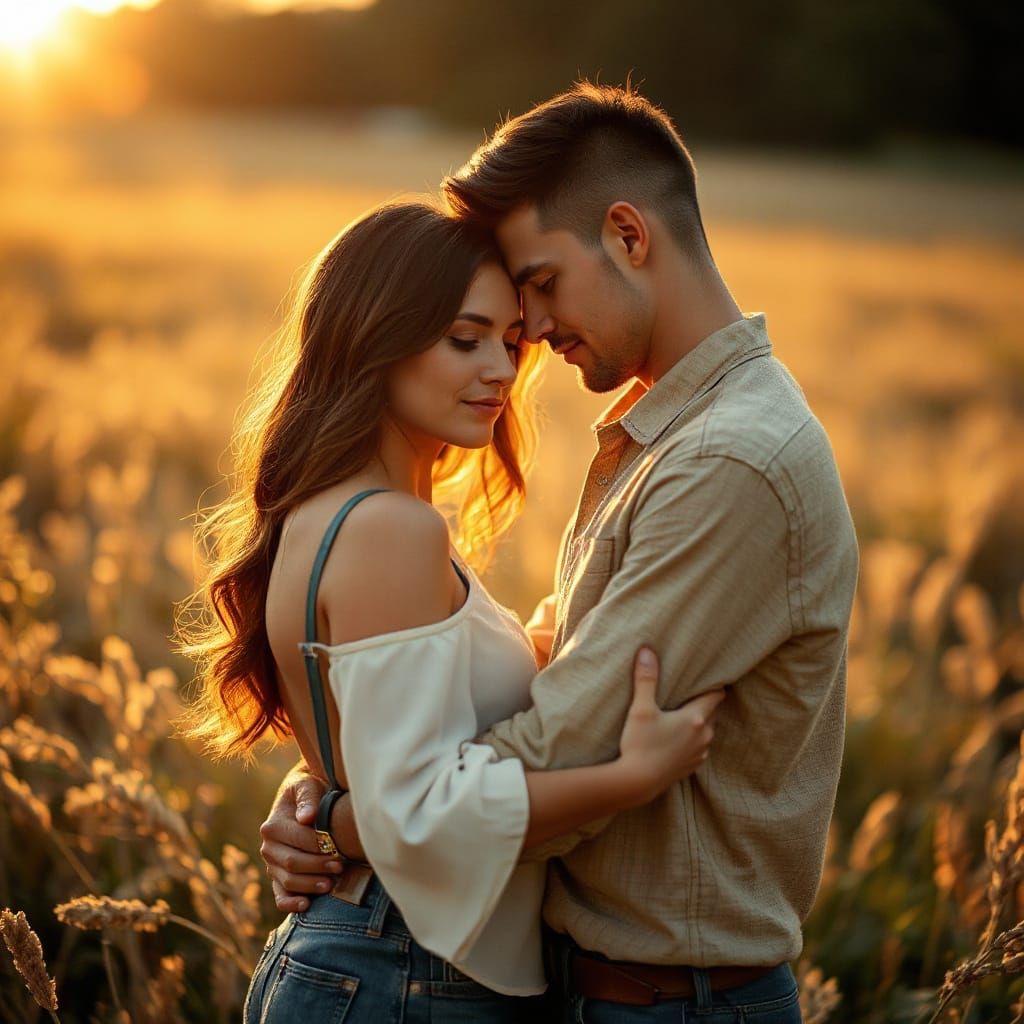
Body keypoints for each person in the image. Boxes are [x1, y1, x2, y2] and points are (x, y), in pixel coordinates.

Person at [261, 83, 860, 1023]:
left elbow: (557, 741)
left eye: (538, 286)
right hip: (585, 985)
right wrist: (342, 783)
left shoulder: (729, 459)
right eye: (483, 331)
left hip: (675, 1002)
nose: (528, 337)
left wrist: (345, 816)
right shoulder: (662, 441)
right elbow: (532, 686)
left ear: (628, 235)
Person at [178, 198, 723, 1024]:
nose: (503, 372)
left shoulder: (333, 513)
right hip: (403, 970)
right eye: (464, 340)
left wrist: (317, 808)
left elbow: (378, 757)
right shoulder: (392, 530)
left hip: (377, 960)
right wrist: (628, 779)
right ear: (376, 338)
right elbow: (416, 812)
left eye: (509, 343)